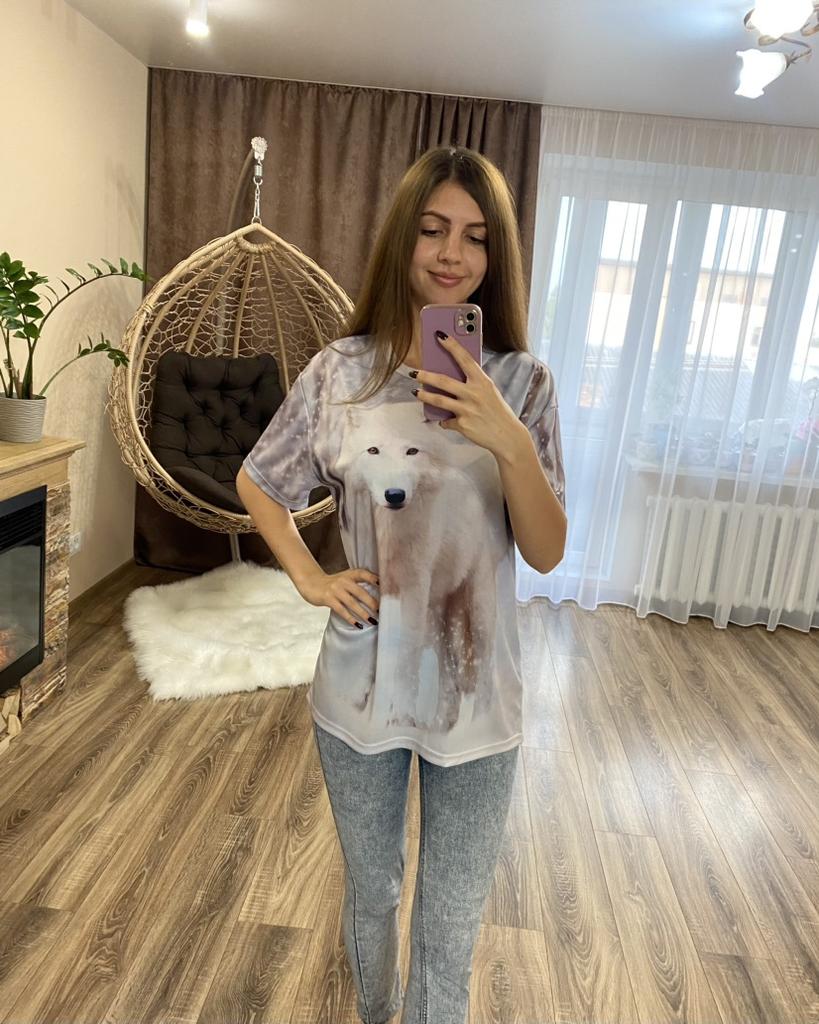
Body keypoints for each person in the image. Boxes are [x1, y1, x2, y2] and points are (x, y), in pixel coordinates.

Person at [236, 144, 567, 1024]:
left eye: (475, 236)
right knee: (374, 891)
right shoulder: (339, 374)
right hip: (360, 685)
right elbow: (260, 481)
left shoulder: (523, 383)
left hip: (477, 697)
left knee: (450, 926)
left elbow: (545, 551)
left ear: (496, 256)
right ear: (401, 240)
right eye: (432, 230)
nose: (452, 254)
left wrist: (509, 439)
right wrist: (310, 577)